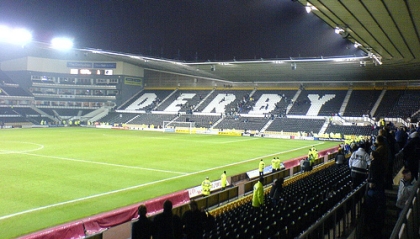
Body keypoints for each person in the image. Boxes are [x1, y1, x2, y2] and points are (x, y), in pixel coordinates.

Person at [365, 135, 387, 239]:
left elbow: (373, 176)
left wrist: (371, 183)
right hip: (379, 187)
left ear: (373, 155)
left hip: (374, 190)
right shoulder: (381, 163)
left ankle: (373, 231)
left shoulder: (373, 164)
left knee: (372, 210)